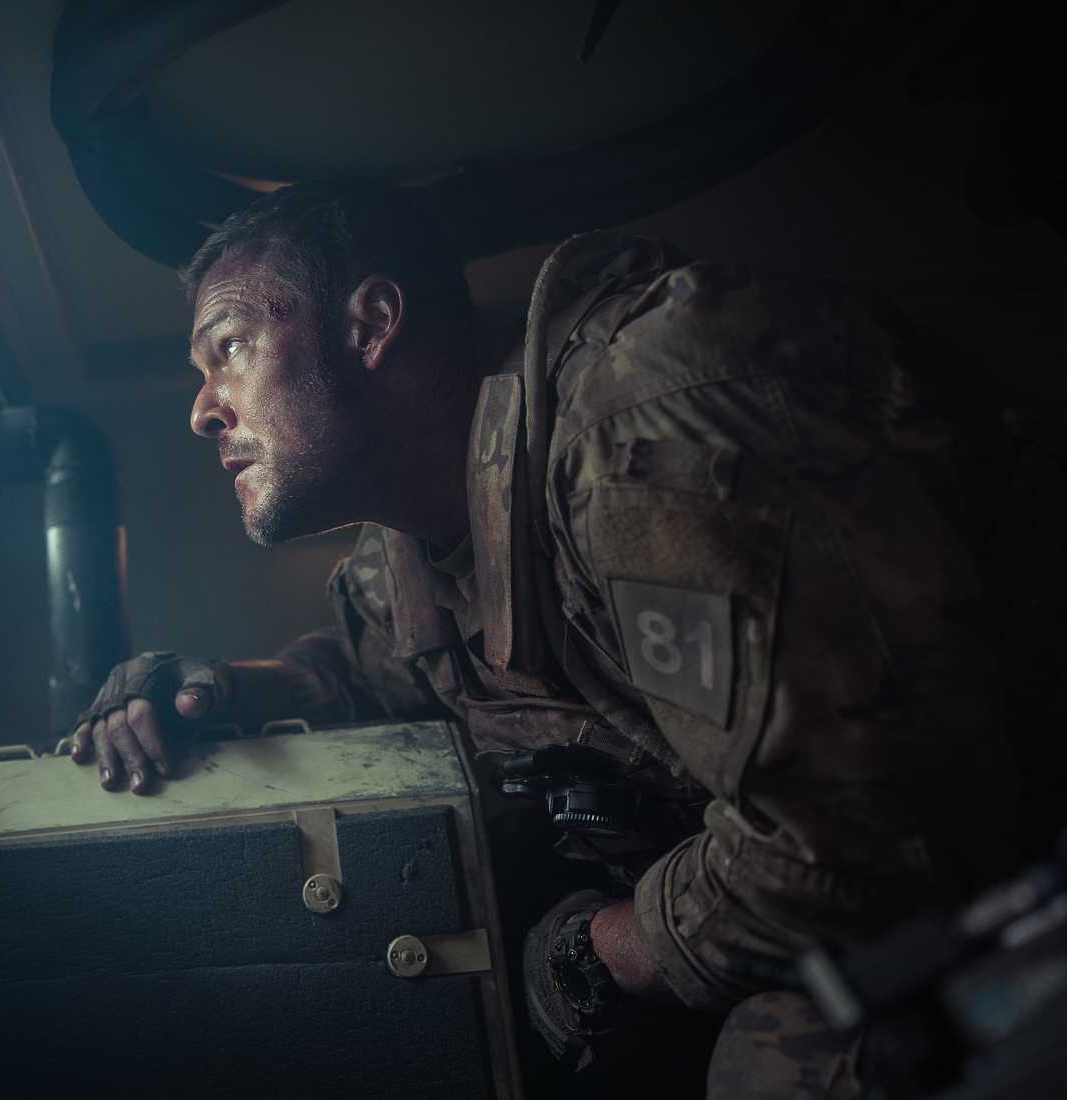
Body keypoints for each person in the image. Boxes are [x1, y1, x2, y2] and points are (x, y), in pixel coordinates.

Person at [67, 184, 1015, 1097]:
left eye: (226, 349)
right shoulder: (415, 542)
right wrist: (214, 688)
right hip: (892, 903)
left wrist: (600, 952)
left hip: (1001, 859)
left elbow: (848, 841)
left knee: (778, 1068)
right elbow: (361, 669)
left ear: (369, 326)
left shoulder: (638, 436)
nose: (202, 409)